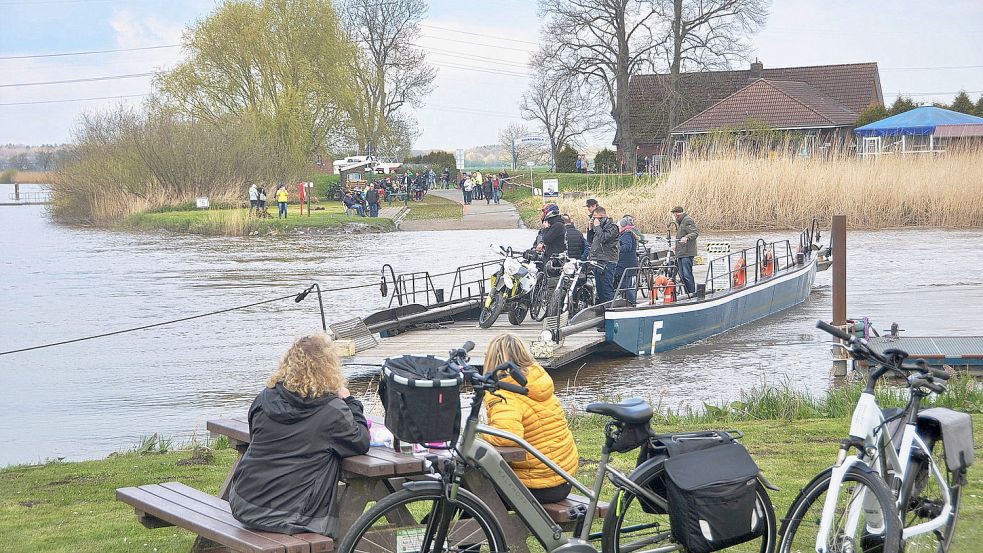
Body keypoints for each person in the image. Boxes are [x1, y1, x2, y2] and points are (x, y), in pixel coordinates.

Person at [229, 334, 370, 536]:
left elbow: (254, 437)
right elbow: (360, 441)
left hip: (244, 502)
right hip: (295, 515)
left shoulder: (263, 399)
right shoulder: (332, 410)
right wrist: (351, 402)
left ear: (288, 363)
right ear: (329, 367)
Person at [480, 333, 578, 504]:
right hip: (563, 478)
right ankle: (452, 527)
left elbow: (507, 438)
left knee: (476, 484)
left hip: (539, 485)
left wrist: (482, 436)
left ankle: (448, 528)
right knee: (476, 485)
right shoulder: (537, 382)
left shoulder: (505, 394)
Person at [588, 206, 620, 304]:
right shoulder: (599, 228)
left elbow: (603, 239)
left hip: (608, 260)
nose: (594, 220)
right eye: (593, 218)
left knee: (607, 288)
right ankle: (602, 309)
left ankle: (611, 308)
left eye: (596, 218)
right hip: (598, 260)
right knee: (599, 288)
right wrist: (590, 229)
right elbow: (591, 241)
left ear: (602, 216)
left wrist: (597, 227)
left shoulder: (613, 227)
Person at [671, 206, 699, 294]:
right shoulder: (680, 222)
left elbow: (695, 233)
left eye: (675, 214)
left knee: (687, 275)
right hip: (681, 252)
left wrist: (687, 237)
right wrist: (676, 246)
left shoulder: (687, 220)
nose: (674, 216)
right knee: (682, 276)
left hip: (687, 253)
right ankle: (687, 293)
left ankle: (691, 293)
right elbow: (680, 237)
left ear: (678, 213)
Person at [615, 216, 640, 305]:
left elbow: (627, 247)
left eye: (618, 226)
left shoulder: (626, 235)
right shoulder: (628, 233)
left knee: (626, 286)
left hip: (626, 264)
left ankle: (631, 303)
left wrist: (617, 248)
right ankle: (629, 302)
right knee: (626, 286)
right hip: (628, 264)